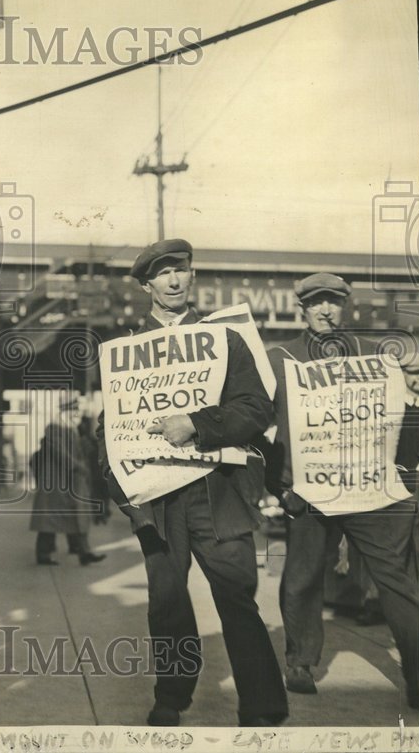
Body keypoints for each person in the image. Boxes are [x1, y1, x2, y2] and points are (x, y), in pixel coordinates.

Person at [98, 238, 288, 727]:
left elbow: (256, 408)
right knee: (167, 605)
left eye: (181, 270)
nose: (175, 280)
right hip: (156, 502)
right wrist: (128, 500)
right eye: (163, 274)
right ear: (147, 285)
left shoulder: (224, 340)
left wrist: (198, 425)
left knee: (237, 598)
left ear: (192, 275)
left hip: (218, 493)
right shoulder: (125, 351)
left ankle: (263, 709)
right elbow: (109, 433)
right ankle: (171, 699)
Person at [264, 273, 419, 707]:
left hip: (370, 491)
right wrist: (280, 488)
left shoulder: (376, 356)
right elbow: (259, 425)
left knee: (397, 582)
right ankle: (300, 661)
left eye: (333, 301)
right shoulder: (279, 359)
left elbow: (402, 418)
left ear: (345, 305)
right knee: (301, 579)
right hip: (311, 493)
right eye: (316, 302)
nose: (325, 310)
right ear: (301, 307)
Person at [30, 421, 107, 566]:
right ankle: (44, 554)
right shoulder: (55, 428)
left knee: (73, 518)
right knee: (50, 521)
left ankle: (84, 552)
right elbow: (61, 453)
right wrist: (78, 466)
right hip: (56, 482)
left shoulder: (70, 429)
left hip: (68, 481)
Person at [396, 353, 419, 584]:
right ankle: (374, 602)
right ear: (403, 374)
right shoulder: (393, 405)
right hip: (400, 478)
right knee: (395, 541)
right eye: (415, 373)